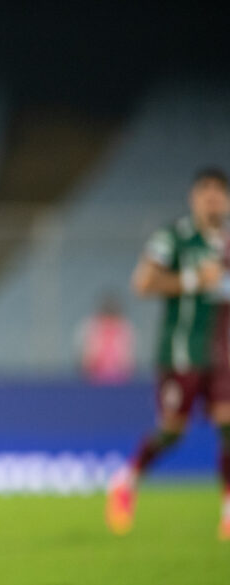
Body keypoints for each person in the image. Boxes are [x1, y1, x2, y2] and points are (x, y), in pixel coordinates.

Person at [106, 166, 229, 538]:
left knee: (228, 423)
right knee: (174, 430)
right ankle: (126, 479)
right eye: (204, 191)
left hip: (222, 353)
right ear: (194, 198)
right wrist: (193, 280)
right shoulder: (174, 238)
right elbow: (142, 283)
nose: (211, 198)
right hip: (181, 351)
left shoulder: (227, 244)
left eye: (218, 192)